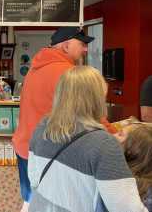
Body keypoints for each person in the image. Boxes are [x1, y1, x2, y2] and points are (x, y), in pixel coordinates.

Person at [28, 66, 147, 212]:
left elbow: (33, 179)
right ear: (96, 99)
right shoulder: (104, 144)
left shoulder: (42, 128)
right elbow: (127, 208)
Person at [11, 27, 95, 212]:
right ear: (66, 46)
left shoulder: (35, 67)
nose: (85, 49)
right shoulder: (68, 73)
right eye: (82, 44)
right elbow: (87, 115)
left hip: (26, 147)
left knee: (30, 202)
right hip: (49, 152)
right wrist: (114, 133)